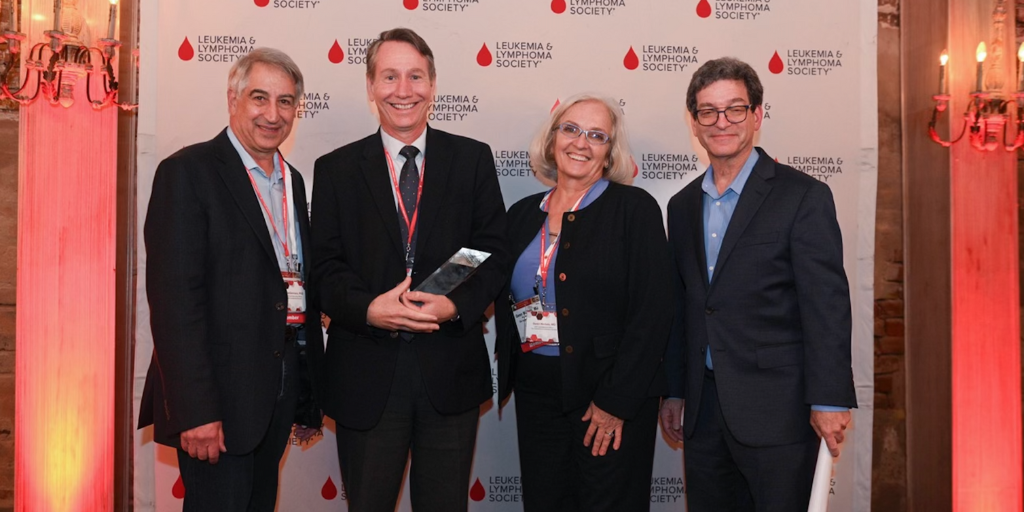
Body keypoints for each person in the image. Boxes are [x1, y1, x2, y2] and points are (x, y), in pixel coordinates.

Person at [310, 27, 508, 511]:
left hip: (449, 372)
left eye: (416, 76)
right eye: (390, 77)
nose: (404, 90)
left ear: (433, 85)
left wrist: (447, 302)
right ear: (371, 87)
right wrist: (369, 309)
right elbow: (325, 266)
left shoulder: (471, 159)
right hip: (366, 374)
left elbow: (488, 250)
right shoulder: (336, 168)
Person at [659, 57, 857, 511]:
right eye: (707, 111)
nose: (721, 121)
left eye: (734, 109)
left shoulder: (802, 196)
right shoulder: (681, 205)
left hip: (780, 412)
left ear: (757, 116)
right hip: (704, 410)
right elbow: (685, 305)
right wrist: (674, 389)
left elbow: (826, 304)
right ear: (694, 122)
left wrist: (828, 398)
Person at [137, 47, 324, 511]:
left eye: (285, 102)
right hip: (216, 402)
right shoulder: (188, 173)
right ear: (233, 98)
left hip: (276, 392)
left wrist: (303, 394)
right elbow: (175, 303)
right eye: (259, 98)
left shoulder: (293, 181)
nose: (272, 114)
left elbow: (292, 289)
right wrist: (196, 411)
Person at [493, 94, 674, 511]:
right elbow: (479, 272)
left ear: (610, 153)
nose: (581, 142)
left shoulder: (634, 210)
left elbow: (654, 313)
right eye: (571, 129)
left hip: (608, 396)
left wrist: (615, 402)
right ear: (553, 137)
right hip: (537, 393)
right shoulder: (522, 214)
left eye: (597, 135)